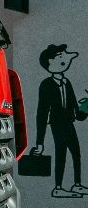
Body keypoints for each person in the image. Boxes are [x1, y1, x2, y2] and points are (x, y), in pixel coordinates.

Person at [32, 44, 85, 197]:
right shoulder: (46, 85)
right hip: (57, 124)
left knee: (76, 153)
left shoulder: (67, 82)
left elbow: (76, 110)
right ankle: (58, 187)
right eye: (60, 57)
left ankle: (77, 184)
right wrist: (40, 143)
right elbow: (41, 113)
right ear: (50, 63)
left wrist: (85, 108)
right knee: (60, 154)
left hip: (69, 123)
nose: (65, 60)